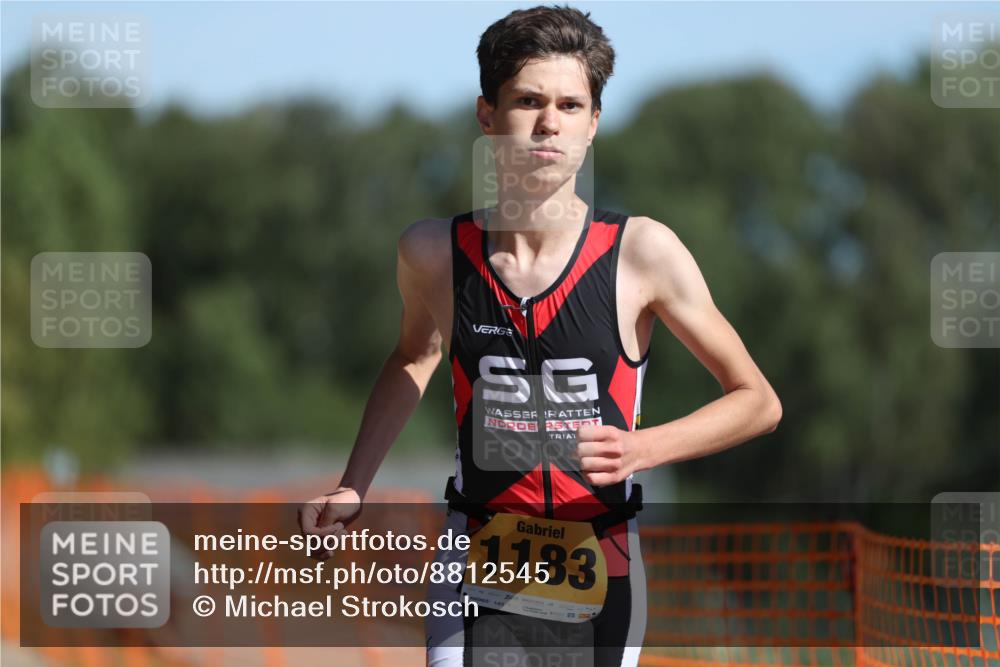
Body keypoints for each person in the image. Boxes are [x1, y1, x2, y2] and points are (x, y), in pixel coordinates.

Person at [299, 5, 782, 666]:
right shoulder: (433, 253)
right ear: (487, 116)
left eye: (570, 104)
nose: (549, 123)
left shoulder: (642, 253)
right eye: (528, 101)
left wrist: (644, 447)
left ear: (594, 124)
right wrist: (355, 483)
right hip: (477, 552)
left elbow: (757, 399)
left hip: (599, 562)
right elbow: (415, 355)